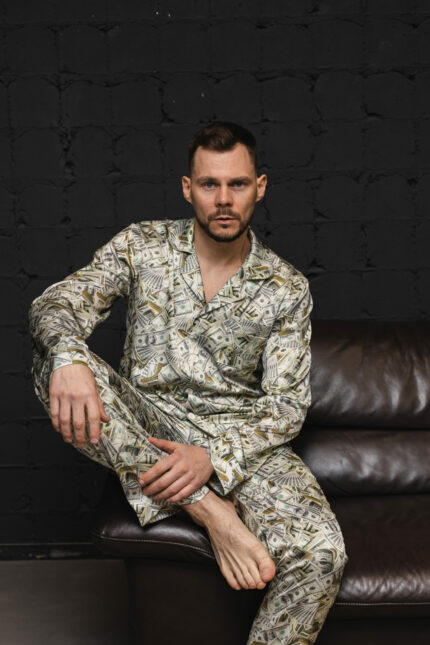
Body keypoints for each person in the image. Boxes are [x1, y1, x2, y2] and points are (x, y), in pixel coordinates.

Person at [28, 122, 348, 644]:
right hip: (147, 426)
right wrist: (68, 356)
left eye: (237, 184)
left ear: (259, 187)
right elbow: (57, 303)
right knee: (52, 364)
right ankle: (207, 510)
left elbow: (287, 406)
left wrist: (213, 458)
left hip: (243, 443)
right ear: (187, 188)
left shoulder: (287, 286)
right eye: (209, 184)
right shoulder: (142, 245)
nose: (223, 200)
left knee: (322, 555)